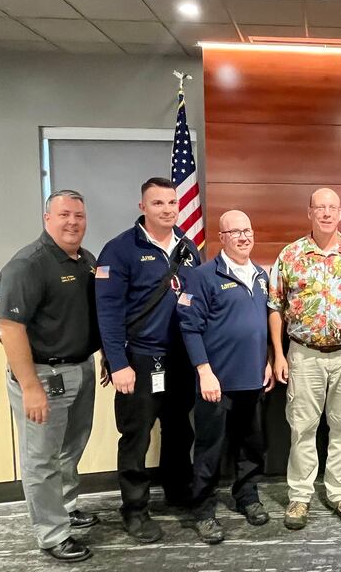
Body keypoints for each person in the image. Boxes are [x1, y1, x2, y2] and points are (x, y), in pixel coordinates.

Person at [269, 188, 341, 530]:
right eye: (319, 207)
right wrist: (278, 353)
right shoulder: (290, 255)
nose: (326, 213)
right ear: (309, 213)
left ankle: (339, 493)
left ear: (340, 213)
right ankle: (300, 496)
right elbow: (275, 308)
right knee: (302, 427)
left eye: (332, 207)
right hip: (303, 355)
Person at [0, 189, 100, 562]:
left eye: (79, 216)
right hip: (44, 375)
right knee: (41, 458)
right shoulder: (28, 264)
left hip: (81, 369)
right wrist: (30, 388)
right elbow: (10, 327)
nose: (73, 222)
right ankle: (52, 534)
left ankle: (67, 506)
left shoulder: (85, 260)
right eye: (64, 215)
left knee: (70, 447)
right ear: (47, 218)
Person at [95, 177, 200, 543]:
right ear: (143, 207)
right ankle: (135, 510)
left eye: (172, 202)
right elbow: (107, 311)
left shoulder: (188, 249)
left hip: (181, 359)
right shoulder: (120, 250)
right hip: (139, 359)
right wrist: (117, 362)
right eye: (158, 203)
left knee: (178, 430)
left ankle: (177, 491)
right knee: (136, 437)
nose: (167, 209)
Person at [177, 210, 274, 544]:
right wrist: (204, 372)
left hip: (254, 380)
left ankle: (247, 497)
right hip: (216, 383)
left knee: (252, 446)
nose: (244, 237)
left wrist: (268, 361)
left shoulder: (261, 275)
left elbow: (262, 326)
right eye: (235, 232)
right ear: (222, 237)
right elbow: (189, 327)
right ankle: (203, 510)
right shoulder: (203, 276)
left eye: (248, 230)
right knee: (209, 448)